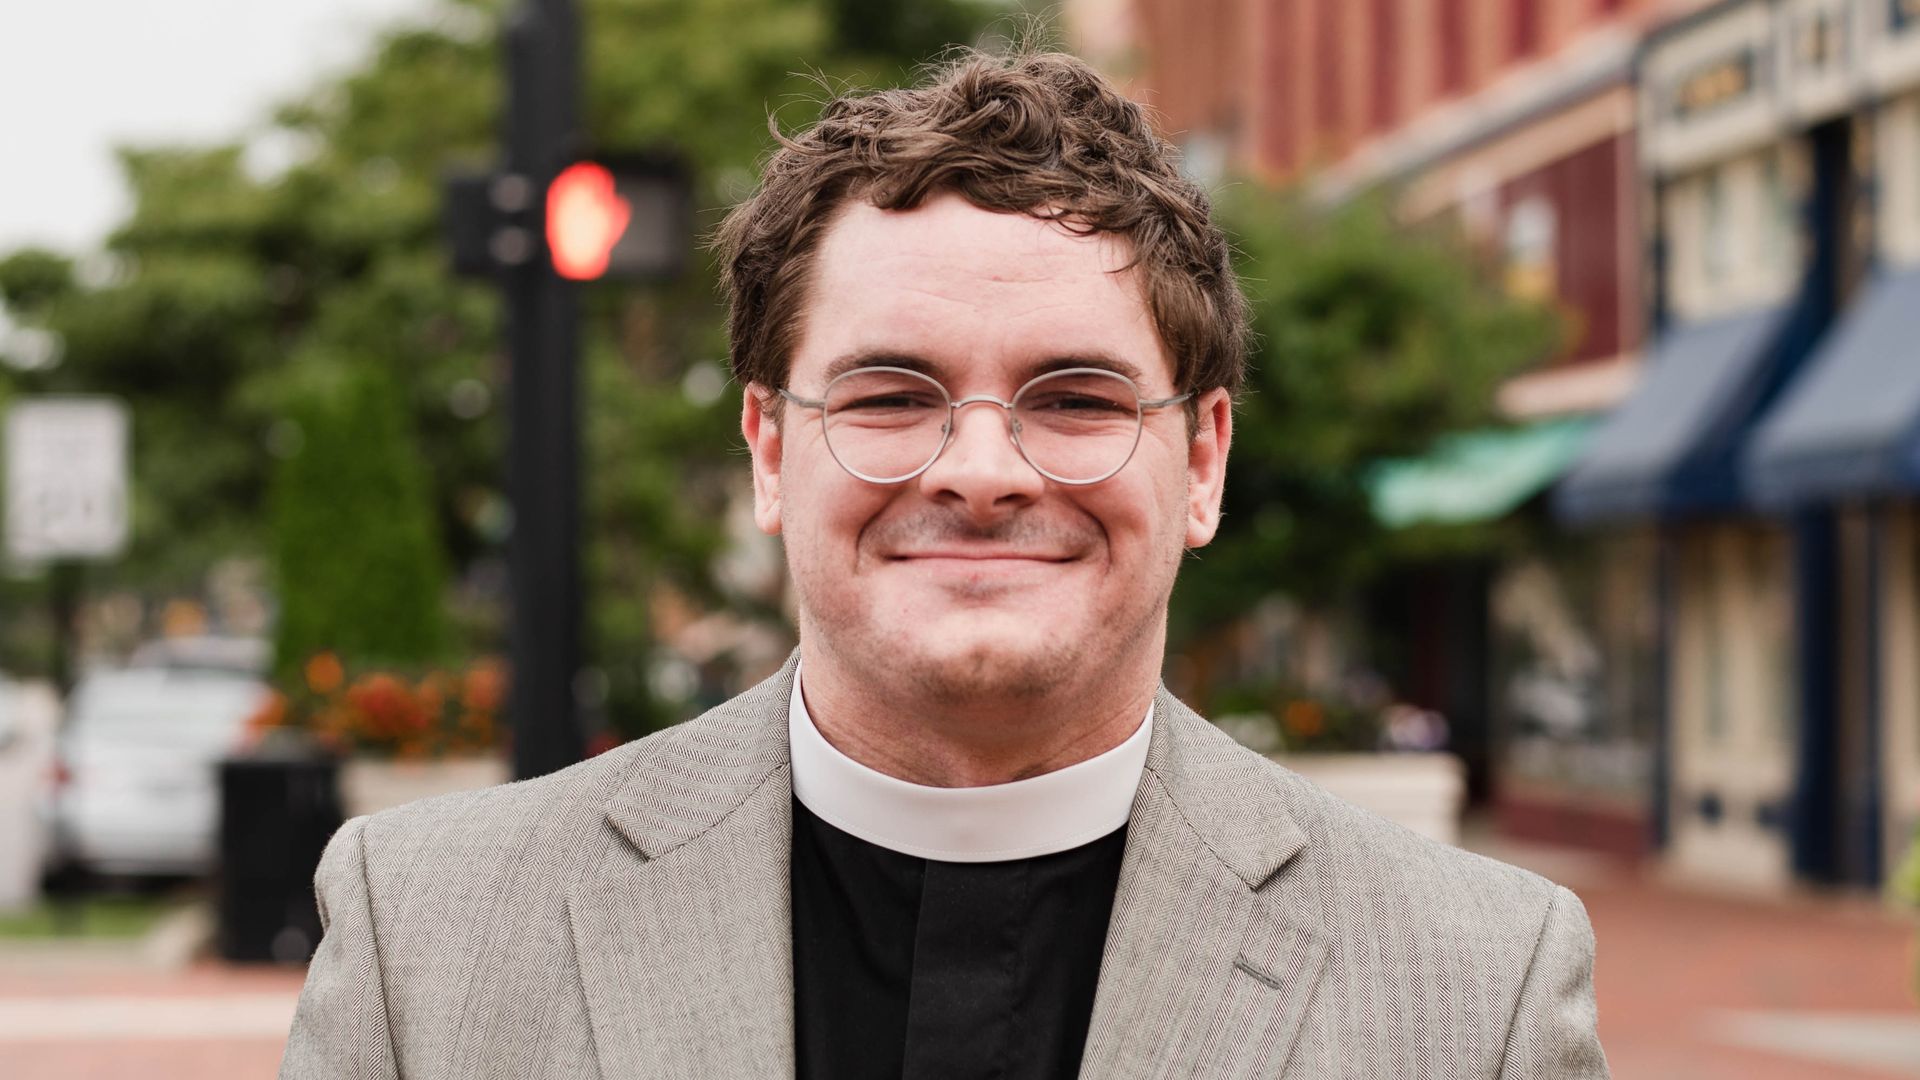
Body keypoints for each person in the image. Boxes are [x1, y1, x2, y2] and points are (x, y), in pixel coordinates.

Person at [280, 49, 1608, 1079]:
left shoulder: (1478, 985)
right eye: (889, 395)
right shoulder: (428, 938)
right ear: (768, 447)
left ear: (1201, 460)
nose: (981, 469)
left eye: (1078, 399)